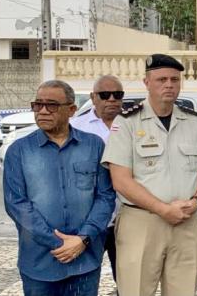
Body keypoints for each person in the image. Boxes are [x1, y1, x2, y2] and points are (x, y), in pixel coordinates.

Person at [101, 54, 197, 296]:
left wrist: (195, 203)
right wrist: (163, 209)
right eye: (161, 79)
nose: (169, 85)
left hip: (186, 222)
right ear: (146, 82)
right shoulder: (127, 122)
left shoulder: (195, 122)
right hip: (141, 222)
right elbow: (120, 180)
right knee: (136, 291)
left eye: (175, 79)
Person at [4, 80, 116, 296]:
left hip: (85, 261)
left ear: (72, 110)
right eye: (38, 105)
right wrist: (58, 243)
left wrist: (83, 239)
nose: (43, 111)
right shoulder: (19, 151)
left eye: (52, 105)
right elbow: (16, 204)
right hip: (39, 263)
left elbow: (105, 196)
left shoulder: (94, 146)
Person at [71, 74, 124, 282]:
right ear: (93, 97)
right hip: (88, 219)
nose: (112, 99)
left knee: (129, 281)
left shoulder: (134, 124)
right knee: (82, 279)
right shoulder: (76, 127)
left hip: (125, 218)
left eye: (117, 94)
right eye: (105, 95)